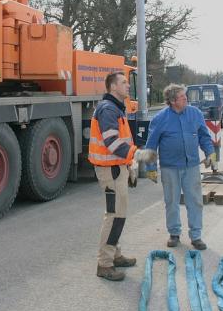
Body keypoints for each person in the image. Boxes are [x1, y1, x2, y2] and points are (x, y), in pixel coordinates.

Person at [89, 72, 156, 281]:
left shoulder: (115, 108)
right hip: (111, 170)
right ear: (112, 87)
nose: (128, 85)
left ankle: (114, 255)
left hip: (116, 168)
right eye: (124, 82)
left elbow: (119, 142)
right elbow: (113, 143)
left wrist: (130, 164)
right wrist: (137, 154)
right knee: (114, 215)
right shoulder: (109, 110)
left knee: (118, 214)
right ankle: (105, 264)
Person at [144, 84, 215, 250]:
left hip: (191, 166)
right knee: (171, 202)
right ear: (173, 101)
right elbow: (151, 145)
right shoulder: (160, 118)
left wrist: (210, 152)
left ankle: (196, 236)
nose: (186, 99)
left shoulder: (195, 114)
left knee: (195, 201)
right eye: (183, 97)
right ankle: (174, 233)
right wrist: (151, 167)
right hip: (170, 168)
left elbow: (204, 136)